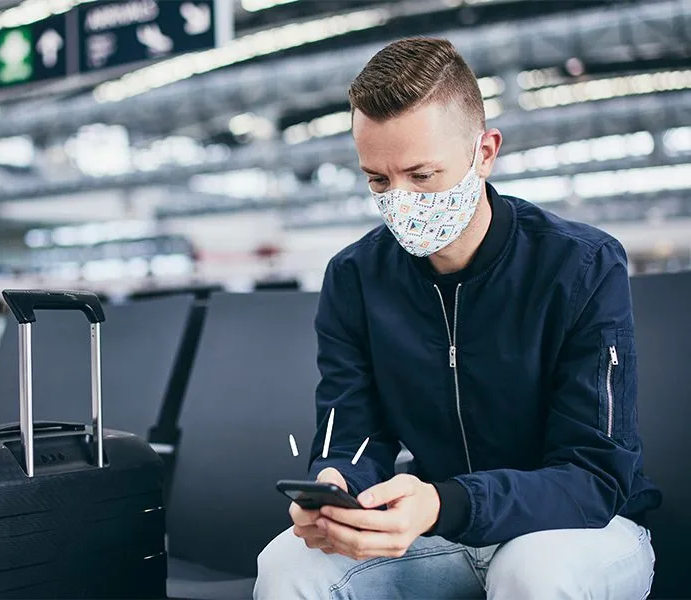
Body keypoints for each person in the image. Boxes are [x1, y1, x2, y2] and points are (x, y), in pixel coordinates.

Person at [254, 37, 662, 599]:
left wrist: (446, 501)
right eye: (378, 179)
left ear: (485, 151)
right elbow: (350, 431)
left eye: (422, 176)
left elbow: (595, 476)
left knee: (533, 571)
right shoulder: (354, 277)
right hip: (440, 528)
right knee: (288, 564)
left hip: (580, 526)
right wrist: (337, 489)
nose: (400, 200)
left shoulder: (582, 265)